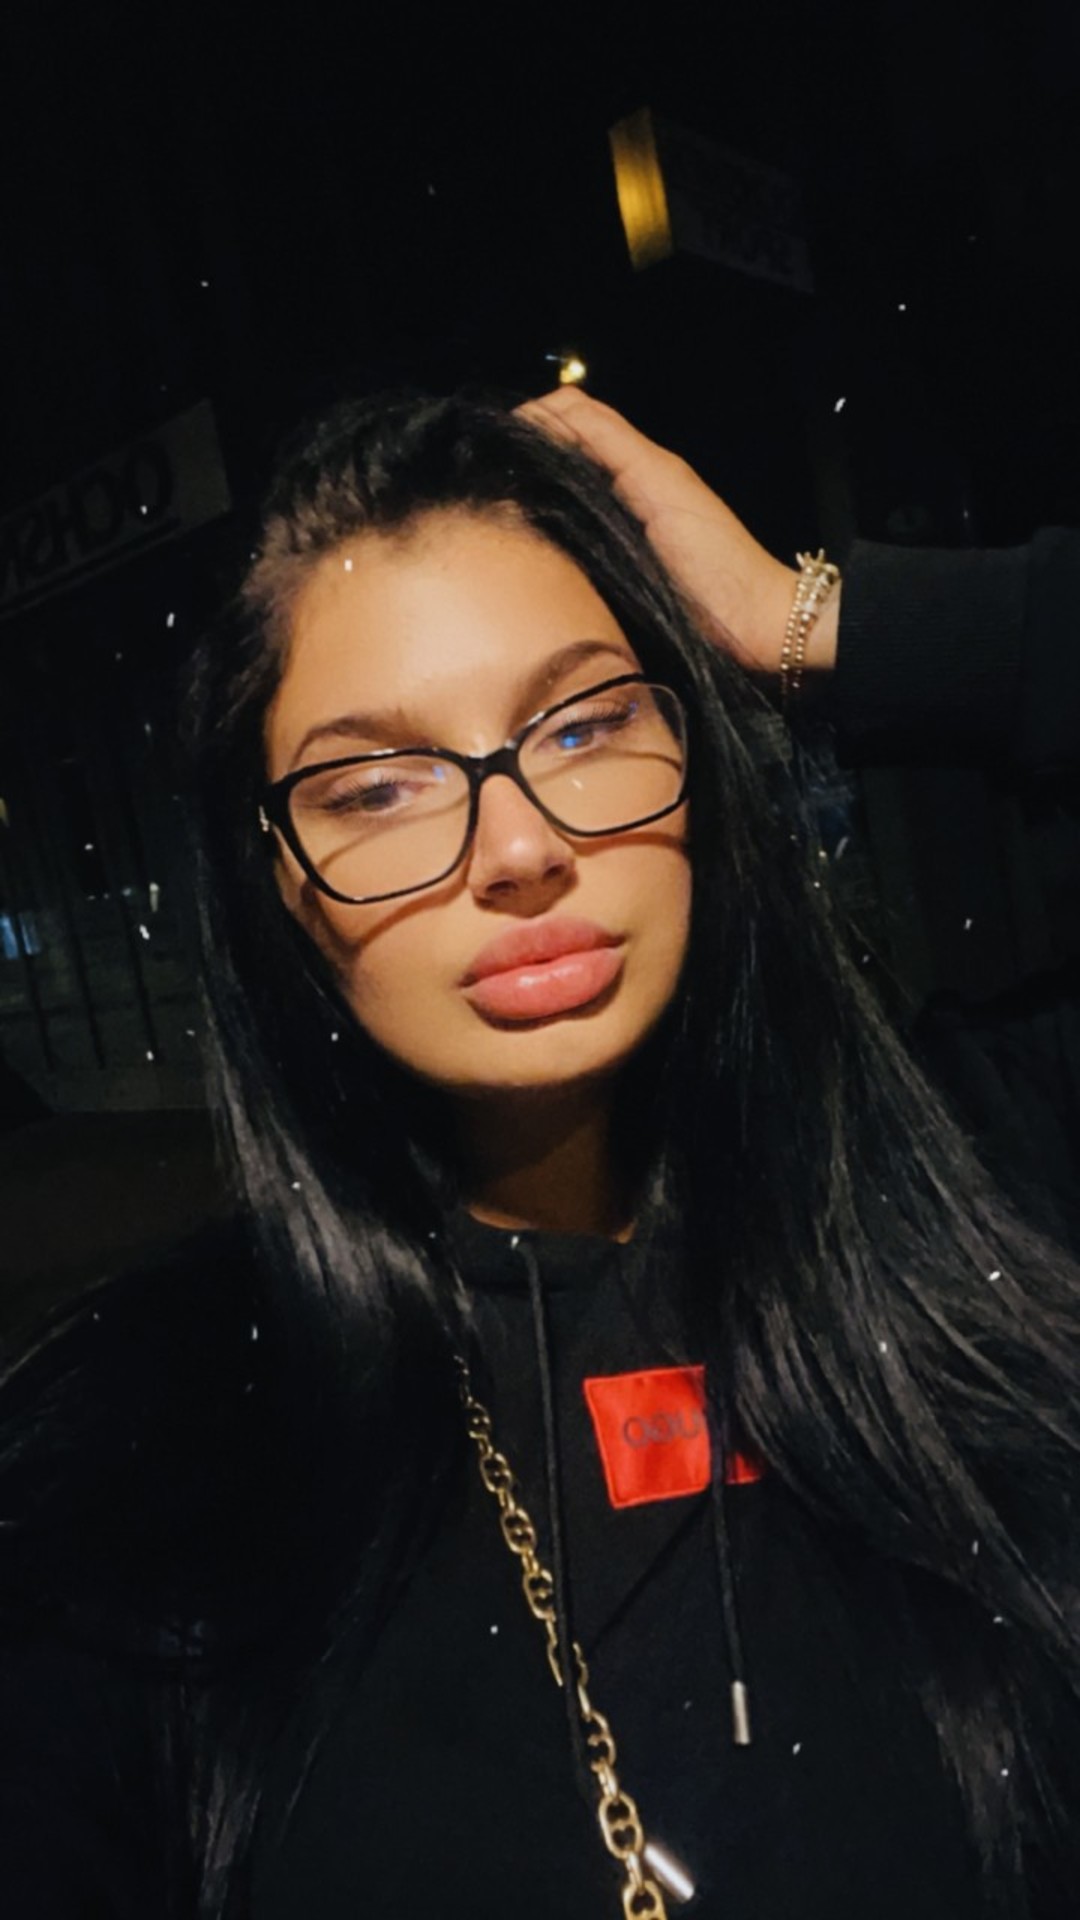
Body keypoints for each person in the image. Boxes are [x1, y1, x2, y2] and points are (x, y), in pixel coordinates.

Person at [1, 389, 1079, 1920]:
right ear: (279, 886)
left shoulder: (990, 1181)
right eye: (378, 788)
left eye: (584, 725)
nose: (520, 849)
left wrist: (814, 623)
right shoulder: (142, 1470)